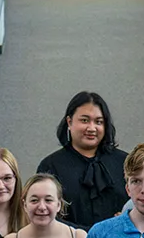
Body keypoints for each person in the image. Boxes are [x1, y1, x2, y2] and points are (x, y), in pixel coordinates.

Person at [38, 90, 127, 226]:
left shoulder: (124, 162)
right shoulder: (50, 166)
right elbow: (45, 213)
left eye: (98, 122)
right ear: (69, 121)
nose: (92, 128)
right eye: (84, 120)